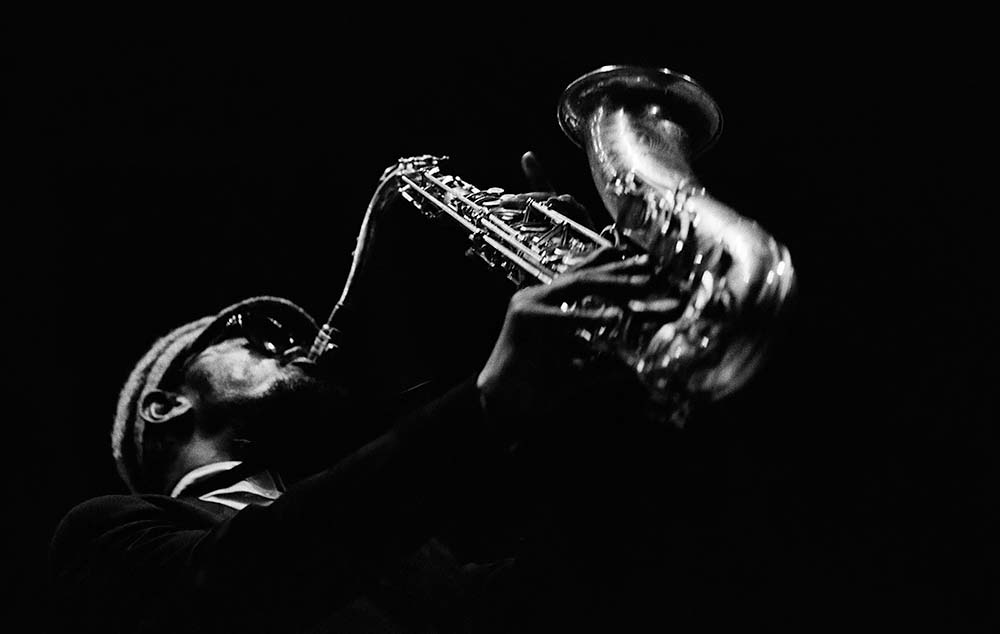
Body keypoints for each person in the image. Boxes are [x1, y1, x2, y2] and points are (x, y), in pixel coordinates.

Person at [48, 160, 683, 632]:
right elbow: (248, 577)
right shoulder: (104, 534)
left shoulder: (417, 552)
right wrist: (487, 400)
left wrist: (609, 396)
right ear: (166, 405)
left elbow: (577, 586)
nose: (292, 340)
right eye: (253, 334)